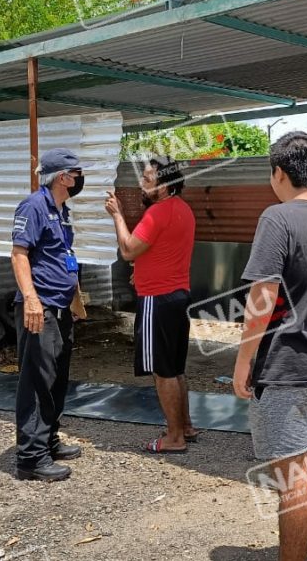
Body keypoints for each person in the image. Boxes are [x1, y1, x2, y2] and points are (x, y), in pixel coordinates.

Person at [233, 132, 307, 561]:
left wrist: (242, 361)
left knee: (294, 476)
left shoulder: (278, 218)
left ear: (279, 173)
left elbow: (262, 297)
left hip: (288, 368)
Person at [104, 156, 198, 453]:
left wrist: (118, 215)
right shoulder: (182, 209)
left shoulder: (157, 213)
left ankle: (174, 438)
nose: (141, 183)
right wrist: (143, 271)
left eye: (148, 178)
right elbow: (162, 251)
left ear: (165, 184)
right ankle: (185, 426)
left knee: (162, 371)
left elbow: (130, 250)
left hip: (158, 300)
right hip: (178, 296)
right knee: (175, 367)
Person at [10, 148, 86, 482]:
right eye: (76, 173)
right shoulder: (34, 206)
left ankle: (48, 440)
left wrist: (76, 300)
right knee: (36, 382)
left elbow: (65, 259)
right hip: (39, 309)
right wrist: (31, 300)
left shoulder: (62, 210)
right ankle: (30, 458)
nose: (79, 179)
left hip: (61, 309)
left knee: (56, 379)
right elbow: (19, 254)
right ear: (61, 177)